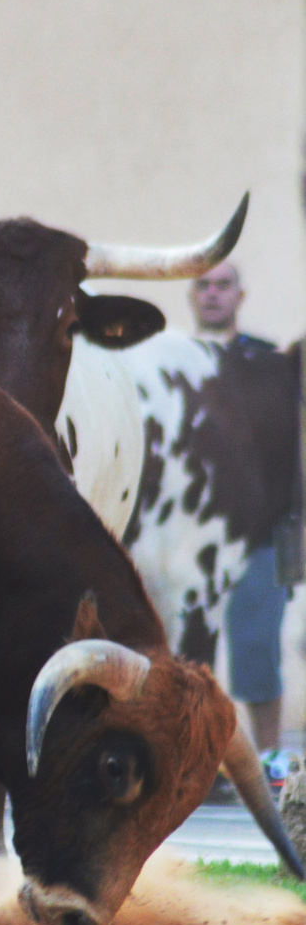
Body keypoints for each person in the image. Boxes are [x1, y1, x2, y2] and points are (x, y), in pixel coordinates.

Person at [191, 263, 291, 759]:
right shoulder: (175, 362)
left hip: (260, 536)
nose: (213, 295)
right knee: (189, 660)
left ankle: (270, 760)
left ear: (240, 295)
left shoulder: (269, 363)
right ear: (193, 298)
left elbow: (291, 450)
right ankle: (197, 766)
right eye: (204, 286)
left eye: (222, 285)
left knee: (258, 654)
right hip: (192, 538)